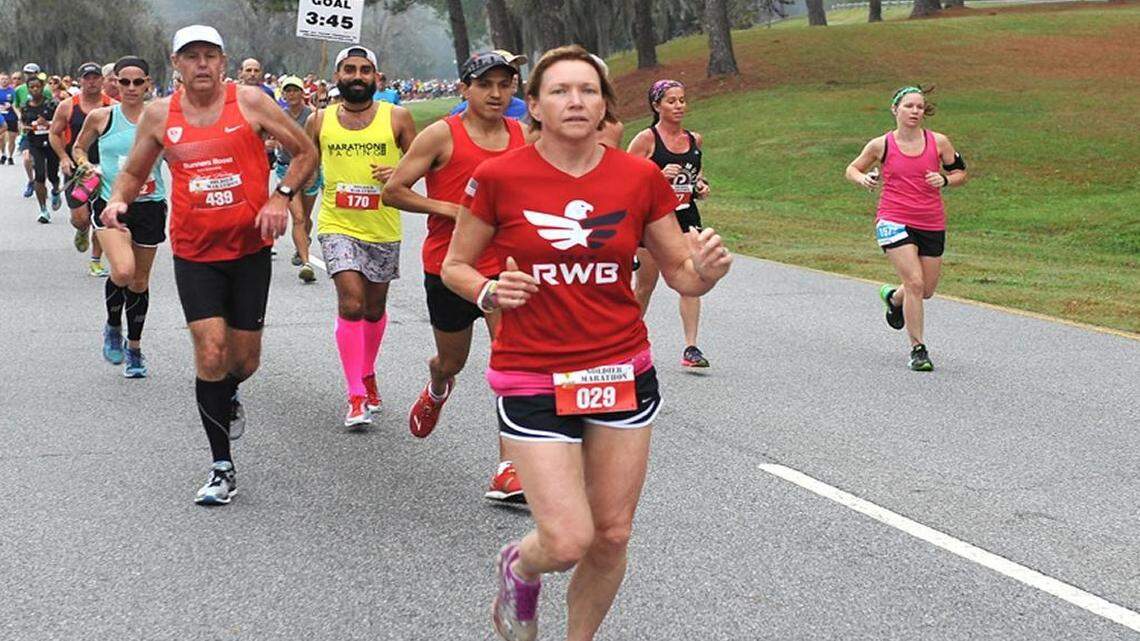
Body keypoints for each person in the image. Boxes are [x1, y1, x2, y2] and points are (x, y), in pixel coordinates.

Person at [441, 45, 732, 641]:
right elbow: (456, 266)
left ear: (604, 106)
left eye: (588, 91)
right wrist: (491, 291)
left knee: (613, 534)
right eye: (559, 91)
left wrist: (707, 270)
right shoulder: (498, 177)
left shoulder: (637, 177)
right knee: (567, 538)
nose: (575, 100)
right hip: (534, 374)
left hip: (619, 369)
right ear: (537, 106)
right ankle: (519, 567)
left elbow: (679, 271)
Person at [102, 25, 317, 505]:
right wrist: (118, 201)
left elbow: (305, 151)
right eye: (190, 56)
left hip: (248, 250)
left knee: (244, 361)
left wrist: (281, 197)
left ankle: (227, 393)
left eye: (209, 56)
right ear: (175, 64)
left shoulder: (253, 102)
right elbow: (134, 173)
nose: (201, 64)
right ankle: (222, 466)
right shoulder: (160, 115)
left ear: (223, 61)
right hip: (195, 252)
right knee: (211, 352)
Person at [382, 51, 529, 504]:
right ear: (465, 89)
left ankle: (509, 468)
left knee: (513, 362)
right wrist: (450, 209)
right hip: (448, 267)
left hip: (503, 268)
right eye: (486, 84)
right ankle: (437, 384)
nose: (497, 93)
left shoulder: (522, 136)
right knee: (453, 361)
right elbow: (394, 191)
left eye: (505, 84)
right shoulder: (440, 135)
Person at [305, 46, 415, 427]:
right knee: (351, 304)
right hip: (338, 224)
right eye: (349, 70)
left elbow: (419, 164)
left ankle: (367, 372)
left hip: (382, 226)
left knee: (374, 308)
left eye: (365, 70)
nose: (357, 76)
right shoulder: (318, 120)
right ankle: (355, 396)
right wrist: (298, 218)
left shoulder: (397, 116)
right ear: (336, 77)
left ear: (376, 78)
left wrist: (398, 171)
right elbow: (306, 168)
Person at [846, 85, 967, 371]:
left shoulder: (939, 142)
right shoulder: (881, 145)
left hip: (931, 220)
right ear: (895, 109)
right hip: (893, 218)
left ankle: (893, 297)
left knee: (925, 290)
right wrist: (862, 179)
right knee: (914, 281)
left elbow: (960, 172)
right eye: (909, 106)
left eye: (920, 107)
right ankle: (918, 349)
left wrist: (946, 180)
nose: (915, 111)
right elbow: (852, 168)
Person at [73, 56, 167, 377]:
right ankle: (113, 326)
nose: (130, 87)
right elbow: (79, 148)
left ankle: (135, 349)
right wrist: (85, 165)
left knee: (140, 281)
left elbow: (180, 155)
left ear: (148, 84)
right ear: (113, 82)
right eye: (123, 81)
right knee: (123, 272)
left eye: (137, 82)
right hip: (111, 204)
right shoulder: (102, 117)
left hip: (151, 205)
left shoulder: (161, 118)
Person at [627, 80, 712, 369]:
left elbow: (695, 175)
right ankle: (627, 343)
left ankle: (691, 348)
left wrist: (700, 185)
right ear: (656, 105)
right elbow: (624, 182)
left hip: (686, 219)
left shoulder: (694, 140)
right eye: (671, 101)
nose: (678, 106)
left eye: (682, 100)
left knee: (691, 282)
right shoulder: (646, 140)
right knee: (645, 287)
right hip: (653, 222)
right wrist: (658, 175)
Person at [50, 61, 114, 276]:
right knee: (81, 218)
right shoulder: (68, 106)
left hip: (105, 169)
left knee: (102, 216)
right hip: (77, 169)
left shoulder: (111, 106)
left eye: (96, 77)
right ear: (81, 81)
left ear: (102, 80)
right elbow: (54, 133)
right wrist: (63, 158)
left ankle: (96, 261)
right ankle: (81, 229)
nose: (92, 81)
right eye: (87, 78)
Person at [272, 75, 319, 282]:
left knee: (306, 218)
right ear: (283, 94)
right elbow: (269, 136)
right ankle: (307, 263)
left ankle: (303, 242)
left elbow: (319, 145)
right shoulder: (278, 116)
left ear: (302, 93)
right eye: (288, 91)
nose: (292, 94)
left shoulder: (313, 116)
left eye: (295, 90)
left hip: (310, 172)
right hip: (286, 170)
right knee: (298, 217)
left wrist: (315, 169)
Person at [20, 75, 61, 223]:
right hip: (35, 143)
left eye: (38, 86)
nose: (35, 89)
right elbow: (23, 125)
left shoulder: (52, 104)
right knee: (40, 175)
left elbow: (61, 123)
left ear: (43, 87)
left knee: (52, 174)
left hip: (51, 142)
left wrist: (48, 124)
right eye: (32, 87)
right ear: (28, 88)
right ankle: (43, 210)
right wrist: (29, 127)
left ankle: (56, 190)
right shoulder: (25, 106)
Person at [0, 73, 17, 164]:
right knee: (1, 137)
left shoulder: (12, 91)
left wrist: (10, 105)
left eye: (6, 79)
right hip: (1, 117)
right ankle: (3, 154)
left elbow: (15, 103)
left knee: (12, 138)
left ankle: (10, 156)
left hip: (11, 116)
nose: (4, 81)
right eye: (2, 79)